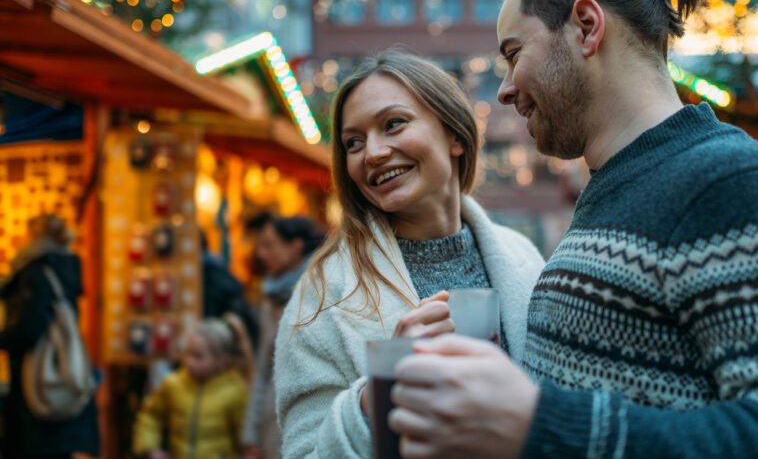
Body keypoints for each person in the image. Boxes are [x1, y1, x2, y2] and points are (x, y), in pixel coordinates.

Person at [386, 0, 758, 458]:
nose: (507, 88)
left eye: (514, 54)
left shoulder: (736, 183)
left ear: (586, 26)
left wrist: (542, 421)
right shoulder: (615, 189)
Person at [272, 51, 546, 458]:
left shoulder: (522, 257)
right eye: (353, 142)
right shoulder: (324, 292)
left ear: (454, 134)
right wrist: (376, 396)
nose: (373, 153)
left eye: (393, 124)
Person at [0, 214, 100, 459]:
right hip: (58, 368)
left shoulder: (35, 271)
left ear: (32, 236)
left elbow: (30, 328)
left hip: (35, 378)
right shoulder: (64, 266)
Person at [243, 216, 325, 459]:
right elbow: (264, 368)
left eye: (269, 245)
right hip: (271, 428)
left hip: (312, 430)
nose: (261, 253)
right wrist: (251, 435)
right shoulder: (270, 297)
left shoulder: (323, 290)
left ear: (295, 246)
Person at [133, 317, 252, 459]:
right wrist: (151, 448)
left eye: (198, 356)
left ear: (222, 361)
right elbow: (150, 415)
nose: (189, 361)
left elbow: (245, 436)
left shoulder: (236, 391)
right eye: (188, 353)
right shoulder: (173, 384)